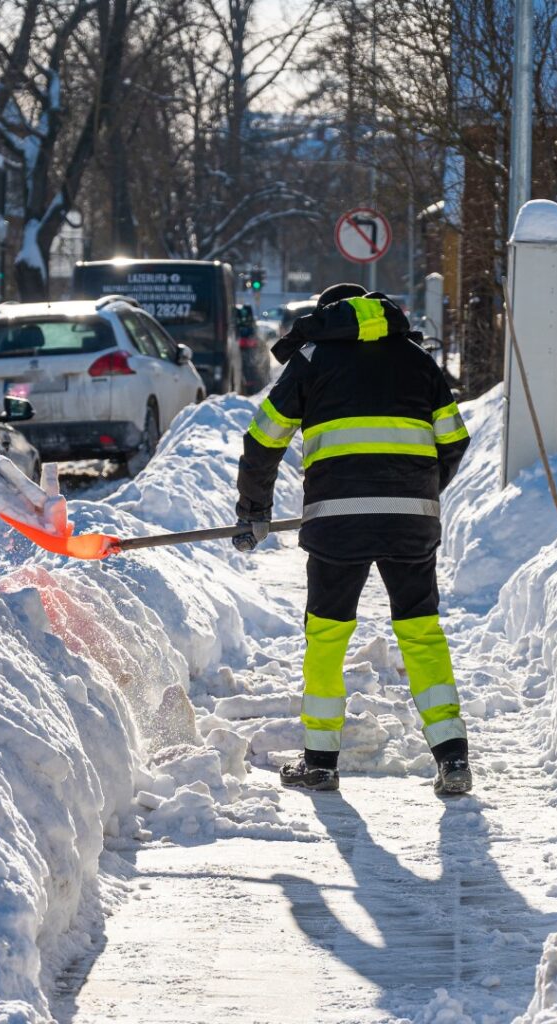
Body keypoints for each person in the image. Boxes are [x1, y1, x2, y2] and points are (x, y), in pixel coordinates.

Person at [232, 283, 473, 796]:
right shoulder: (417, 360)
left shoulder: (313, 358)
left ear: (329, 318)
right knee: (421, 632)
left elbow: (263, 440)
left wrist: (254, 511)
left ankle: (320, 763)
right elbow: (454, 439)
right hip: (410, 521)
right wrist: (417, 490)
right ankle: (452, 756)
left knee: (327, 634)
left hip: (337, 521)